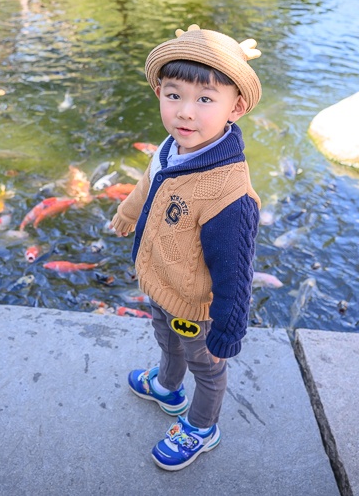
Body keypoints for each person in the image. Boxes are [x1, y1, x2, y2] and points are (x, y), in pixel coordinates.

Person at [110, 24, 263, 471]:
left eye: (205, 100)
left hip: (198, 306)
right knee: (164, 338)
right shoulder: (172, 148)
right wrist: (127, 212)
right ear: (159, 91)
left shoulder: (228, 195)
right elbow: (149, 182)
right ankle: (166, 387)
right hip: (162, 282)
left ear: (235, 107)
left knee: (207, 366)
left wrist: (227, 330)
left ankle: (200, 426)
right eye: (174, 95)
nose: (186, 113)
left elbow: (236, 270)